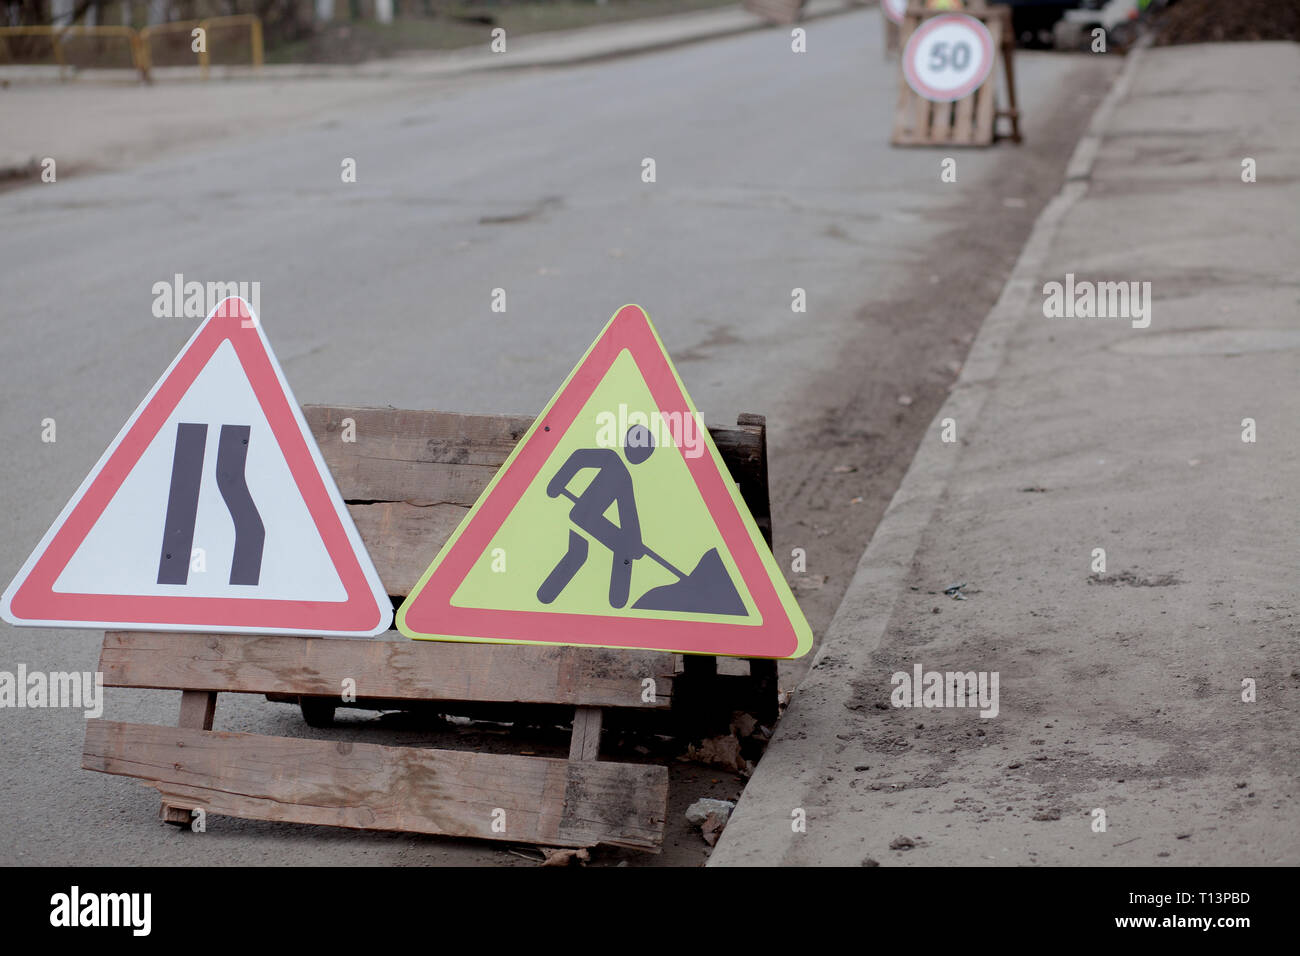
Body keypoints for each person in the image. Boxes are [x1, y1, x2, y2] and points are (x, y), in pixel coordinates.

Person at [537, 425, 654, 608]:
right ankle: (616, 599)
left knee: (584, 553)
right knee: (587, 553)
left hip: (588, 519)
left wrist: (635, 543)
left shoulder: (624, 476)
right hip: (583, 516)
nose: (641, 455)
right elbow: (578, 458)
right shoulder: (612, 461)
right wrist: (556, 484)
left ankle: (616, 599)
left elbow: (628, 514)